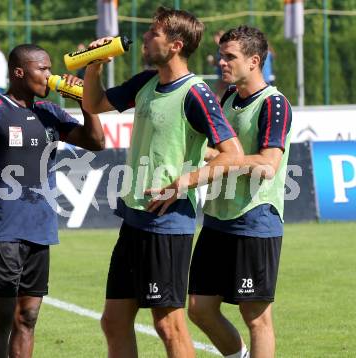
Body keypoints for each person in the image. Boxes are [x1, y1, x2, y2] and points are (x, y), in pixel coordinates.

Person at [83, 6, 243, 358]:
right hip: (135, 219)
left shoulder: (196, 93)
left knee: (168, 325)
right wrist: (93, 65)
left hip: (167, 225)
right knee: (113, 321)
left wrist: (185, 182)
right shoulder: (145, 82)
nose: (144, 37)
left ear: (174, 44)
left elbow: (233, 153)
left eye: (153, 33)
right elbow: (93, 103)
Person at [0, 44, 104, 358]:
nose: (50, 76)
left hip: (40, 228)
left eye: (50, 68)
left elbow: (96, 142)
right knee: (3, 318)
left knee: (29, 317)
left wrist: (84, 101)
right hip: (1, 228)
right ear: (19, 73)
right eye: (43, 69)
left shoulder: (49, 112)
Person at [187, 25, 292, 358]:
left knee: (256, 317)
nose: (222, 63)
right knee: (199, 307)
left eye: (230, 57)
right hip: (218, 218)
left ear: (254, 61)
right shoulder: (229, 98)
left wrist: (223, 160)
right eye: (221, 56)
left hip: (255, 219)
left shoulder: (274, 104)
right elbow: (215, 152)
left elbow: (267, 165)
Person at [206, 29, 227, 100]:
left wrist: (213, 61)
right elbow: (219, 63)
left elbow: (223, 63)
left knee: (220, 95)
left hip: (225, 76)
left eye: (219, 36)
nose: (216, 39)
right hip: (220, 76)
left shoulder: (226, 49)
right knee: (219, 95)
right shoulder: (219, 49)